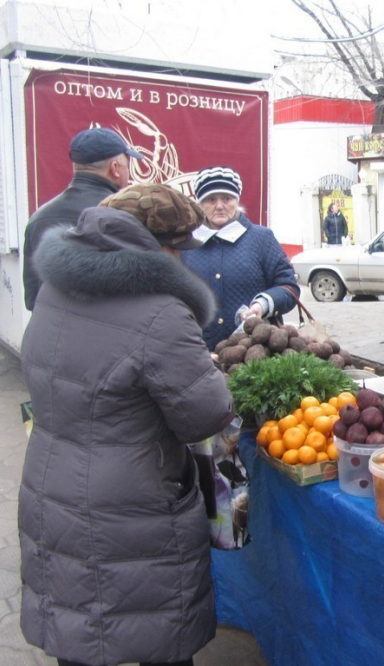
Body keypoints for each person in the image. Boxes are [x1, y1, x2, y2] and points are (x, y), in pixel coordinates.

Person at [19, 183, 235, 666]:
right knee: (156, 634)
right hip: (136, 507)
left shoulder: (55, 290)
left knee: (78, 628)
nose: (181, 261)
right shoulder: (161, 313)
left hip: (52, 488)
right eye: (177, 248)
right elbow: (206, 414)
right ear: (152, 247)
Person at [22, 126, 143, 310]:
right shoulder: (126, 216)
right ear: (115, 168)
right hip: (109, 334)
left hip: (50, 332)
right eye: (128, 164)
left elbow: (32, 299)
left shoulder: (39, 217)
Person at [182, 166, 300, 351]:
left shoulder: (261, 238)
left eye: (227, 199)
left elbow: (289, 288)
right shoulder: (187, 244)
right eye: (211, 199)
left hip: (254, 352)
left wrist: (262, 305)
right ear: (200, 203)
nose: (219, 206)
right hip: (198, 353)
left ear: (236, 200)